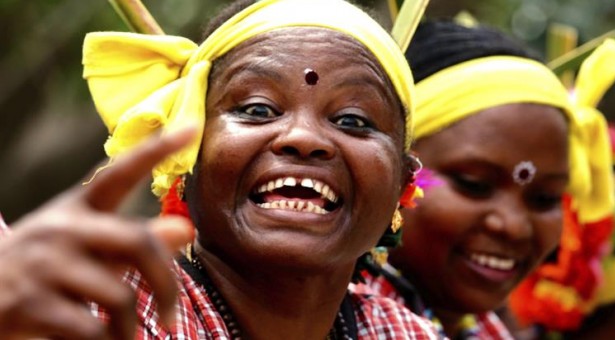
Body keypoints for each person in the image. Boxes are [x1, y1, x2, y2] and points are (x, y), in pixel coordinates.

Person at [0, 0, 439, 338]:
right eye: (257, 109)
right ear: (185, 159)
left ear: (403, 181)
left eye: (352, 120)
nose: (304, 137)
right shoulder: (95, 306)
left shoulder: (403, 330)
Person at [358, 19, 615, 339]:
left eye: (545, 199)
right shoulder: (329, 320)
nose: (513, 225)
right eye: (474, 184)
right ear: (388, 168)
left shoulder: (485, 330)